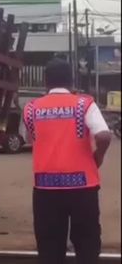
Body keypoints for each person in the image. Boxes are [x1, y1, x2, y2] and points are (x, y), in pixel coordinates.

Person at [23, 58, 112, 264]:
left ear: (46, 82)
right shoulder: (84, 104)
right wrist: (97, 158)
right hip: (83, 186)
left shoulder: (31, 108)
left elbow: (31, 138)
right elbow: (104, 136)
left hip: (45, 188)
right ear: (71, 81)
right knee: (87, 244)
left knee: (49, 247)